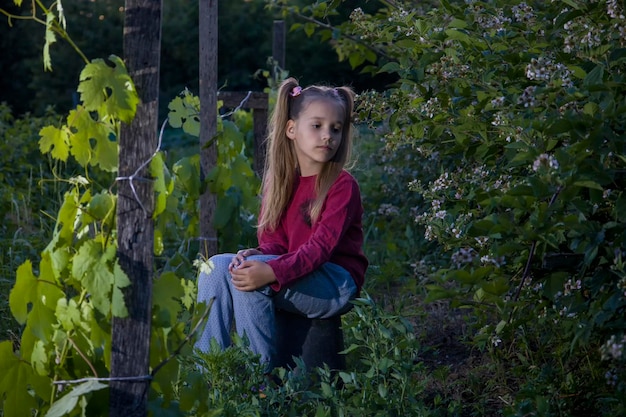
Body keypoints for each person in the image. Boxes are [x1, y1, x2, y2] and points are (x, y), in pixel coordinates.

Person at [195, 77, 368, 371]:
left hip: (335, 283)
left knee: (250, 282)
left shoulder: (341, 185)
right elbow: (275, 244)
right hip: (297, 270)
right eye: (317, 126)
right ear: (291, 129)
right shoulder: (281, 182)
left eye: (335, 129)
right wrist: (256, 255)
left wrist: (271, 269)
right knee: (215, 268)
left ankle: (259, 383)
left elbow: (319, 250)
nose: (328, 135)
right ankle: (209, 376)